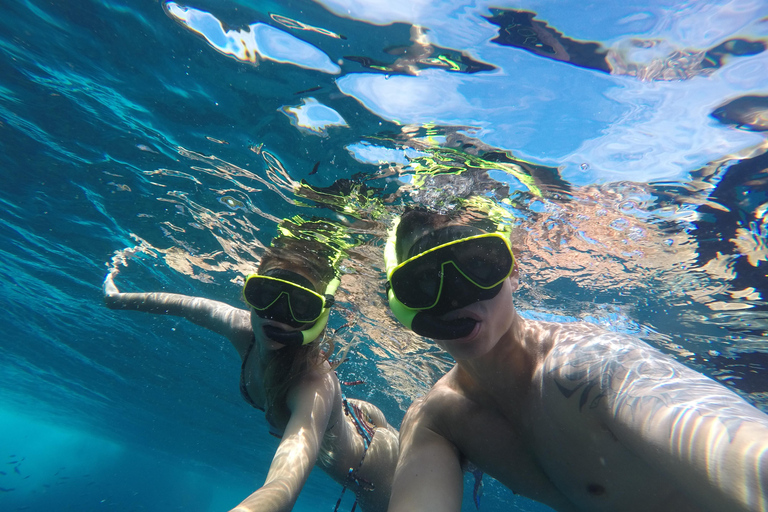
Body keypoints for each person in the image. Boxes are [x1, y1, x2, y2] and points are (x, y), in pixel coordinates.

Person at [383, 204, 768, 512]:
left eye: (476, 264)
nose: (456, 297)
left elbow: (748, 459)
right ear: (402, 303)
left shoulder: (588, 370)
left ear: (513, 271)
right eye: (424, 280)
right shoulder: (438, 419)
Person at [103, 227, 399, 512]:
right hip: (355, 419)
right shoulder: (243, 330)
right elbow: (186, 305)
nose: (278, 317)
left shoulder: (312, 384)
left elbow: (282, 485)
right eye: (267, 294)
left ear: (318, 317)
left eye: (300, 306)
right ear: (250, 293)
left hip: (376, 473)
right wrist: (119, 300)